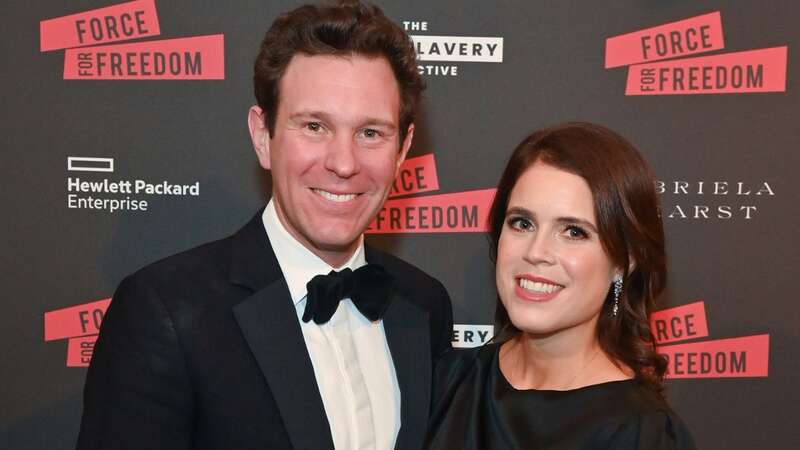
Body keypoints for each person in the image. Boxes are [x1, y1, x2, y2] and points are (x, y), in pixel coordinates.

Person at [76, 2, 452, 450]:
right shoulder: (168, 313)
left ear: (403, 148)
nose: (344, 163)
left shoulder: (423, 305)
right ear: (262, 136)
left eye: (371, 133)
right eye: (314, 126)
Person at [425, 123, 696, 449]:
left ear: (624, 262)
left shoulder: (642, 433)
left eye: (573, 232)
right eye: (522, 223)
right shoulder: (448, 382)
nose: (536, 252)